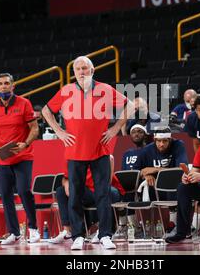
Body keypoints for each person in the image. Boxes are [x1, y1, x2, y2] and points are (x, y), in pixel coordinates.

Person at [42, 56, 134, 250]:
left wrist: (115, 129)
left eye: (85, 68)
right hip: (75, 153)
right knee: (74, 195)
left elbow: (130, 106)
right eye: (78, 69)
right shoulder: (66, 91)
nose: (82, 72)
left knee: (103, 194)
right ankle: (77, 236)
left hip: (100, 150)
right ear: (74, 73)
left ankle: (105, 235)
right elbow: (46, 111)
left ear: (92, 70)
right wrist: (59, 132)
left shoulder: (105, 89)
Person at [0, 73, 40, 245]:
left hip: (23, 155)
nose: (3, 86)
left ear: (13, 86)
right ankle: (14, 232)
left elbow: (35, 128)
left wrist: (25, 143)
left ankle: (33, 228)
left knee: (24, 191)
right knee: (5, 195)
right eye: (0, 84)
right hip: (3, 158)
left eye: (7, 83)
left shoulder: (24, 103)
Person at [49, 155, 125, 244]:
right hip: (87, 191)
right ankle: (67, 231)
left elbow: (107, 181)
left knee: (104, 193)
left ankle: (104, 232)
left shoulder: (104, 158)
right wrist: (66, 184)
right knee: (61, 191)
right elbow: (65, 178)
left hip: (108, 190)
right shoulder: (74, 158)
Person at [132, 126, 189, 236]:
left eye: (164, 141)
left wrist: (154, 170)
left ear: (170, 140)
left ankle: (173, 225)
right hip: (154, 189)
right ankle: (135, 227)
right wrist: (146, 176)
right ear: (154, 140)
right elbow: (136, 171)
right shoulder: (147, 150)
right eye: (158, 141)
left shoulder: (178, 145)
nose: (161, 144)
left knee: (174, 183)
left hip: (174, 188)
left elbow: (181, 170)